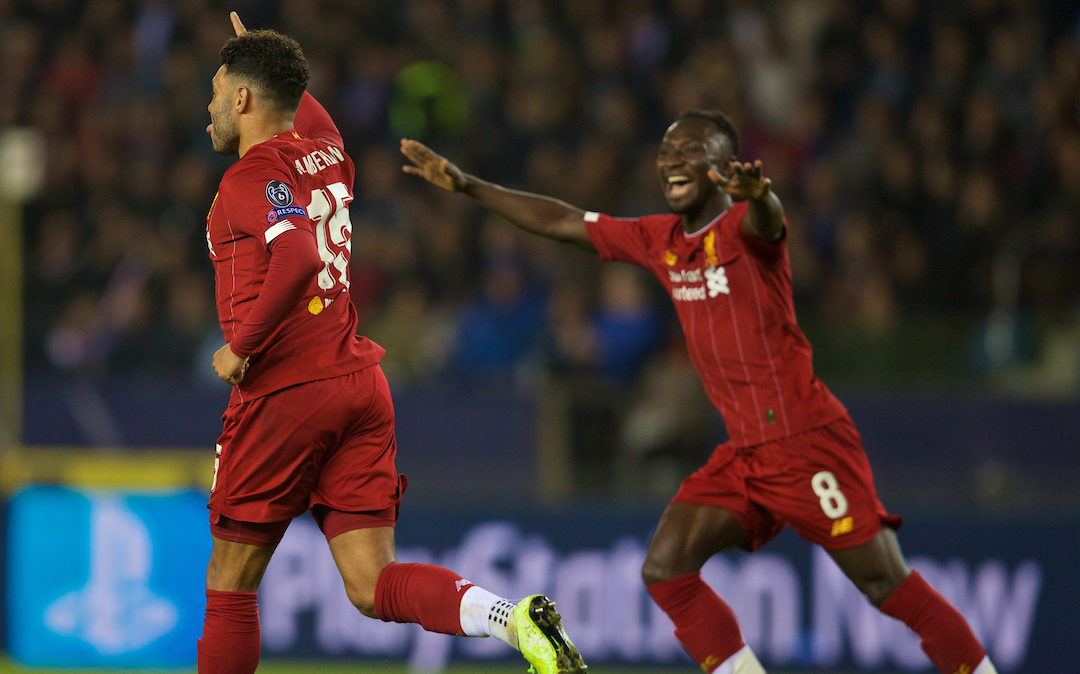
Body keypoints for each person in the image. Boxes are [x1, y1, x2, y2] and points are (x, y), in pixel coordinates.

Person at [401, 111, 998, 674]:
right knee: (666, 568)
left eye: (690, 150)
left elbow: (770, 221)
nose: (672, 160)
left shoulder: (744, 228)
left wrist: (759, 195)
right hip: (745, 454)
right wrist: (466, 186)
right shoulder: (659, 239)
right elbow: (563, 222)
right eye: (665, 152)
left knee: (884, 584)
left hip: (806, 443)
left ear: (723, 166)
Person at [199, 14, 585, 674]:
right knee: (372, 585)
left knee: (230, 582)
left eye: (215, 91)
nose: (206, 109)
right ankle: (511, 619)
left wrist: (242, 347)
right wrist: (266, 53)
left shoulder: (245, 179)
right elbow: (298, 108)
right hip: (358, 384)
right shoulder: (328, 152)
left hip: (284, 391)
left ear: (241, 98)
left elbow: (293, 257)